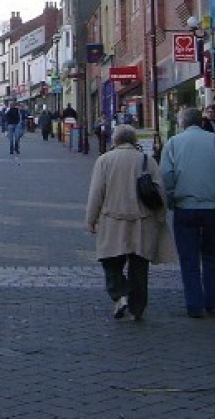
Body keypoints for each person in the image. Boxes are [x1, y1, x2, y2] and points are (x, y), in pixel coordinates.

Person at [85, 124, 175, 321]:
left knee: (110, 261)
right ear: (134, 140)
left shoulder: (105, 160)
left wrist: (91, 219)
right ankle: (137, 308)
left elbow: (96, 193)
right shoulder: (147, 160)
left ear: (115, 140)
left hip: (113, 220)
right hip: (142, 221)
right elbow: (160, 191)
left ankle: (120, 294)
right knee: (139, 265)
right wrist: (160, 217)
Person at [160, 106, 215, 318]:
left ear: (181, 123)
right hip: (213, 208)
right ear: (201, 121)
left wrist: (169, 201)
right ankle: (211, 301)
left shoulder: (173, 144)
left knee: (189, 256)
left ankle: (194, 304)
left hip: (185, 207)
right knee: (212, 252)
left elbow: (166, 177)